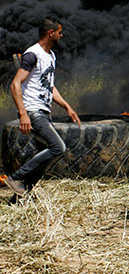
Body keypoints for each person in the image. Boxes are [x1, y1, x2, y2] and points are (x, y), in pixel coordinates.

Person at [4, 17, 81, 196]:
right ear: (50, 32)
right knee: (58, 147)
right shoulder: (33, 54)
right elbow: (15, 84)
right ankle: (16, 177)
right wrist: (23, 114)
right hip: (33, 110)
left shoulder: (50, 56)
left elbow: (49, 87)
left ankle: (22, 197)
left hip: (44, 112)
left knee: (43, 160)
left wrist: (67, 107)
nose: (62, 35)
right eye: (59, 32)